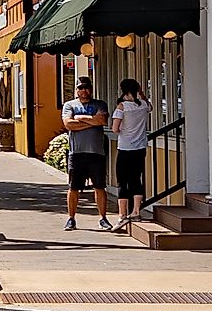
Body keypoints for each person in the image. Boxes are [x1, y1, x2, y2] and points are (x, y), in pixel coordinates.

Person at [60, 77, 113, 231]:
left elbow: (102, 120)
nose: (84, 90)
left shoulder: (99, 104)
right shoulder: (69, 105)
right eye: (81, 87)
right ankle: (71, 219)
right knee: (73, 187)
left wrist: (80, 119)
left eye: (87, 87)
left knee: (99, 186)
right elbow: (68, 124)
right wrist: (91, 121)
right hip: (76, 153)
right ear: (76, 90)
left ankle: (103, 218)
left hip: (96, 152)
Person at [109, 78, 150, 227]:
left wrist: (124, 132)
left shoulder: (122, 107)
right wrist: (142, 94)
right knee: (136, 179)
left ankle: (122, 214)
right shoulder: (143, 105)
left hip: (125, 147)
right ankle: (136, 212)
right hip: (140, 147)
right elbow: (149, 106)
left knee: (123, 181)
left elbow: (115, 129)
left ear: (122, 89)